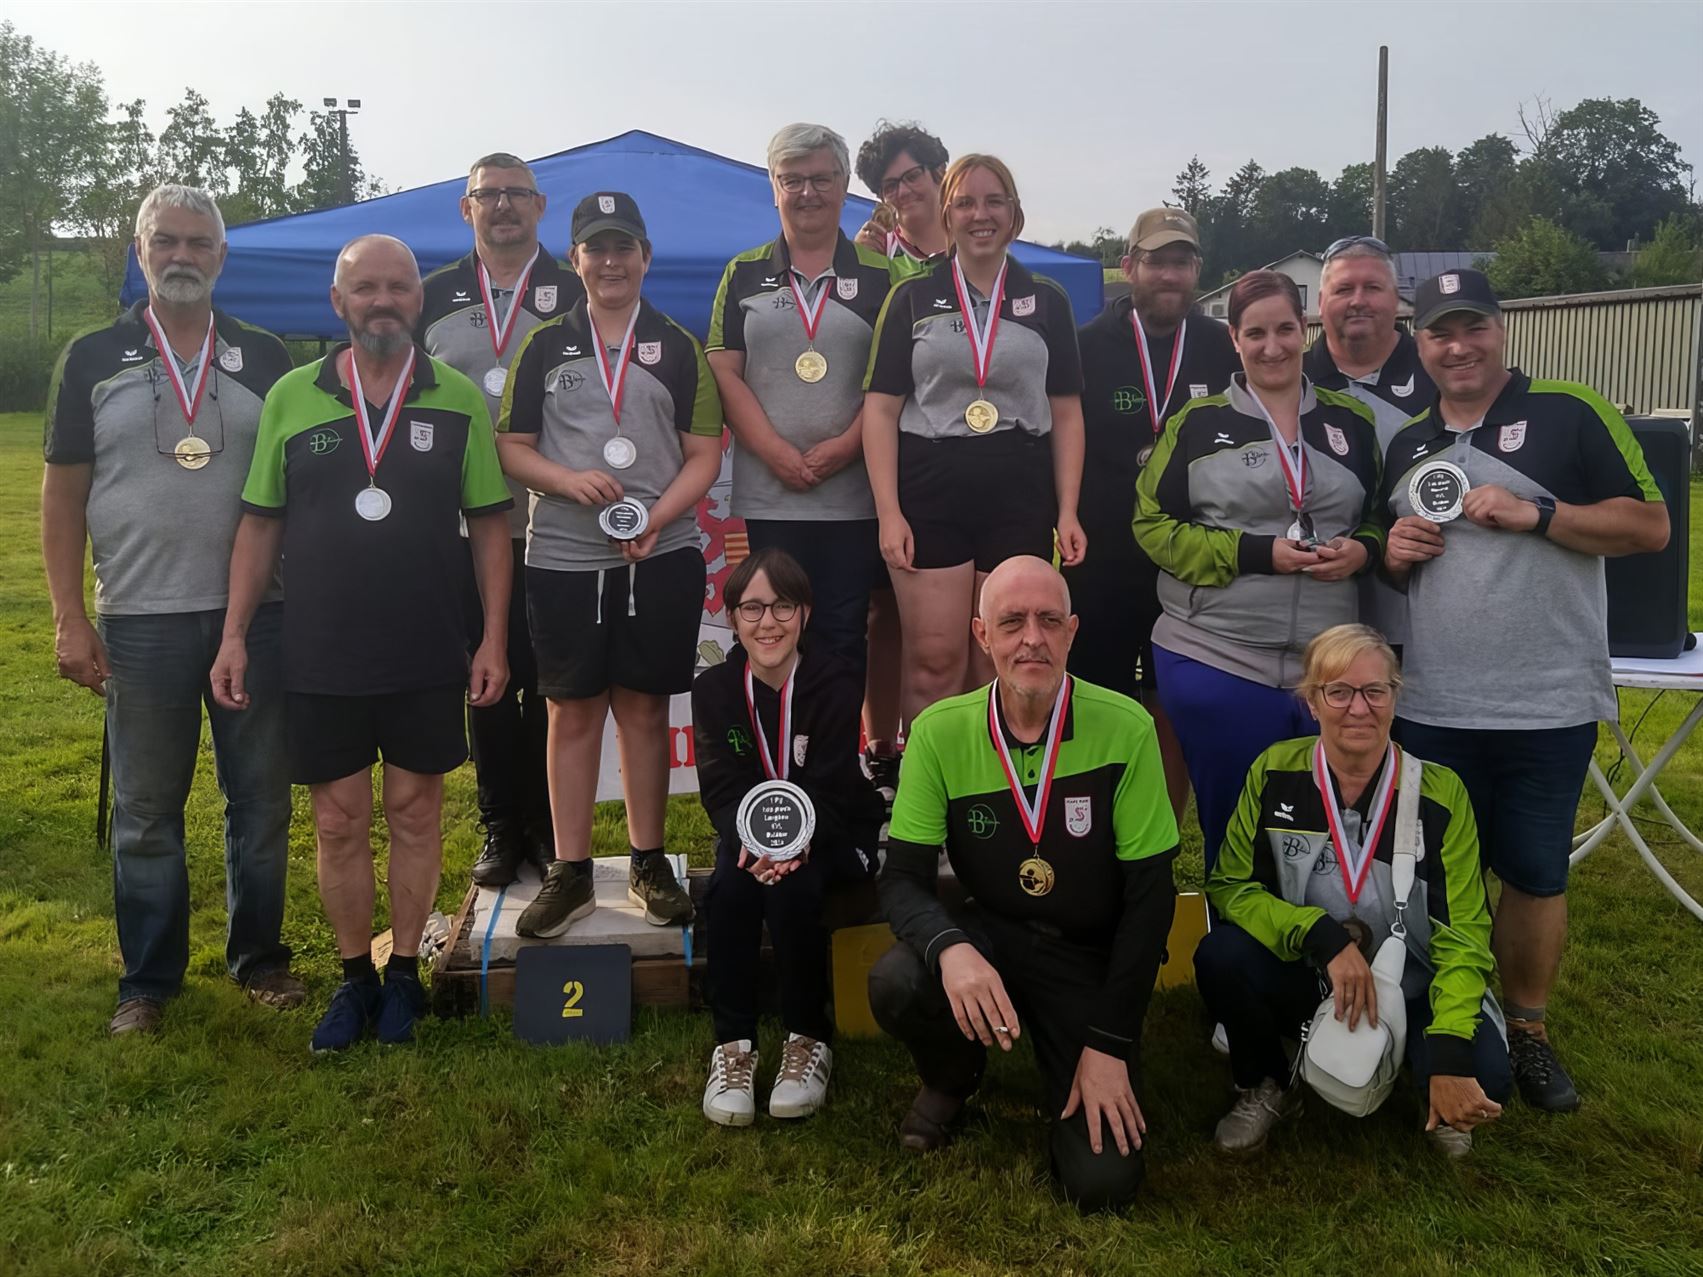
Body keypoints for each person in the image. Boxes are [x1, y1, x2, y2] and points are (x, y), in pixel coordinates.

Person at [212, 234, 514, 1053]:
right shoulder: (290, 395)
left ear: (419, 298)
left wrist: (492, 636)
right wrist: (234, 633)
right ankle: (354, 977)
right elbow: (259, 523)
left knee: (416, 811)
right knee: (339, 820)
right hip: (321, 649)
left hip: (426, 645)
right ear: (338, 302)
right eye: (365, 287)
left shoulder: (457, 397)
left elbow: (490, 524)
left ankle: (404, 973)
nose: (383, 300)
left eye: (398, 287)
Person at [1382, 269, 1669, 1113]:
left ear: (1499, 329)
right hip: (1432, 702)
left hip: (1547, 700)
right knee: (1431, 877)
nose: (1457, 346)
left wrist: (1537, 513)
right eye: (1439, 332)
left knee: (1535, 874)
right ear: (1419, 344)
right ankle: (1442, 1019)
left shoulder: (1569, 410)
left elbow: (1649, 526)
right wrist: (1393, 550)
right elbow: (1389, 559)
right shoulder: (1405, 443)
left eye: (1471, 326)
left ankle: (1528, 1030)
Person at [41, 184, 302, 1036]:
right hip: (140, 620)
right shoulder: (91, 357)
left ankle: (259, 957)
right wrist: (69, 616)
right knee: (147, 811)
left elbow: (293, 488)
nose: (182, 255)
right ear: (140, 251)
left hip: (254, 616)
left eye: (198, 242)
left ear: (221, 256)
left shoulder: (264, 356)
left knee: (260, 800)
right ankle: (148, 980)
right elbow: (61, 497)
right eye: (166, 241)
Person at [868, 556, 1178, 1212]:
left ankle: (1081, 1057)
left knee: (1100, 1185)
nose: (1031, 638)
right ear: (982, 635)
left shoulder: (1127, 726)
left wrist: (1108, 1043)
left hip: (1085, 954)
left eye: (1047, 621)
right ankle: (953, 1077)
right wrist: (951, 948)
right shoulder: (938, 732)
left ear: (1072, 631)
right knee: (898, 980)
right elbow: (902, 881)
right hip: (992, 936)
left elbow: (1151, 902)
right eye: (1011, 622)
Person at [1196, 624, 1510, 1158]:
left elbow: (1465, 935)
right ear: (1311, 702)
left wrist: (1451, 1049)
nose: (1358, 709)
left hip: (1412, 987)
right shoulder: (1274, 771)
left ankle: (1426, 1077)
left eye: (1374, 691)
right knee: (1221, 955)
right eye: (1338, 692)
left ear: (1395, 697)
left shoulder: (1440, 793)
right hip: (1312, 972)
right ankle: (1269, 1082)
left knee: (1487, 1074)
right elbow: (1230, 886)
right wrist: (1319, 936)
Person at [497, 192, 722, 940]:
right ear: (576, 260)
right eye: (597, 248)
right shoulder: (543, 346)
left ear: (645, 257)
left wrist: (657, 516)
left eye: (624, 246)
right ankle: (570, 871)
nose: (611, 261)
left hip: (661, 553)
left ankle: (648, 860)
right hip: (563, 556)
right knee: (570, 711)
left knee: (645, 709)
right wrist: (565, 481)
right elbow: (512, 446)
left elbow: (704, 454)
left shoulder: (679, 346)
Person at [1132, 269, 1383, 876]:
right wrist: (1254, 553)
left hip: (1326, 663)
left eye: (1284, 330)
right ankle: (1235, 929)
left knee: (1324, 827)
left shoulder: (1352, 422)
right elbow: (1152, 526)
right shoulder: (1196, 423)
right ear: (1234, 339)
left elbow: (1382, 515)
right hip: (1217, 653)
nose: (1272, 347)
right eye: (1255, 334)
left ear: (1305, 329)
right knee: (1237, 826)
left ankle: (1316, 928)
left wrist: (1363, 551)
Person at [863, 155, 1087, 727]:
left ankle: (994, 782)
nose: (980, 215)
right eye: (965, 203)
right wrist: (889, 513)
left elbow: (1066, 412)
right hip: (930, 490)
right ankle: (925, 781)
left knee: (999, 661)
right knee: (934, 663)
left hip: (1019, 493)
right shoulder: (912, 297)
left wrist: (1067, 510)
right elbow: (881, 411)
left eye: (994, 202)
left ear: (1014, 214)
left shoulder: (1047, 299)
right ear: (948, 214)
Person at [418, 152, 586, 888]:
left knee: (549, 682)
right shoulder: (429, 294)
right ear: (467, 209)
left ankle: (546, 826)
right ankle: (498, 823)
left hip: (557, 528)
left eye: (518, 193)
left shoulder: (577, 289)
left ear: (541, 206)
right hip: (459, 531)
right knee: (484, 680)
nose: (504, 206)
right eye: (489, 195)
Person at [705, 124, 894, 716]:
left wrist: (846, 446)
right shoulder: (742, 272)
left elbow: (896, 382)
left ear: (844, 184)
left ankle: (835, 761)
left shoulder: (883, 276)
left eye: (821, 179)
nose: (807, 193)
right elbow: (724, 371)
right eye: (792, 181)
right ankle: (779, 760)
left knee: (842, 634)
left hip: (855, 495)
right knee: (772, 634)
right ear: (773, 186)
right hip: (771, 494)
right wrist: (773, 450)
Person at [692, 548, 883, 1125]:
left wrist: (796, 847)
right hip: (752, 836)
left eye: (782, 606)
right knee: (729, 890)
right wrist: (753, 846)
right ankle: (733, 1045)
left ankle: (808, 1037)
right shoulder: (714, 690)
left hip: (831, 828)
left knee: (795, 891)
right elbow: (721, 788)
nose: (767, 622)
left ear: (805, 614)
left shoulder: (836, 681)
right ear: (732, 618)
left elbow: (832, 782)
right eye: (752, 608)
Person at [1071, 206, 1239, 819]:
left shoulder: (1221, 347)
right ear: (1129, 266)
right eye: (1156, 261)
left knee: (1177, 700)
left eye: (1182, 262)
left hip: (1190, 558)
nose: (1169, 274)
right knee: (1099, 699)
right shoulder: (1086, 346)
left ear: (1197, 270)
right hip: (1103, 559)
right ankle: (1096, 826)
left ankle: (1162, 831)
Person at [1304, 235, 1435, 649]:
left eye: (1372, 288)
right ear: (1321, 302)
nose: (1358, 300)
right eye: (1344, 289)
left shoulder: (1442, 375)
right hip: (1314, 620)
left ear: (1397, 300)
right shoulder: (1290, 380)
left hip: (1421, 620)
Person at [852, 120, 950, 274]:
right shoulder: (875, 255)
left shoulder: (977, 241)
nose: (903, 191)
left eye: (912, 176)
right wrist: (855, 263)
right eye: (891, 186)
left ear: (940, 173)